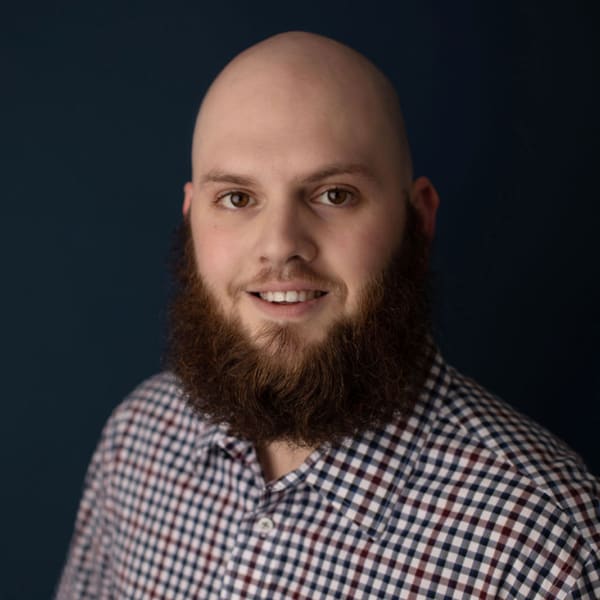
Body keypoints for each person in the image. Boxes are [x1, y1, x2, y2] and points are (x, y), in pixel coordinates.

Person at [56, 31, 599, 599]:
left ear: (419, 220)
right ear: (192, 220)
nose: (280, 245)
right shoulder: (138, 440)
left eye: (334, 195)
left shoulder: (552, 551)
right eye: (237, 198)